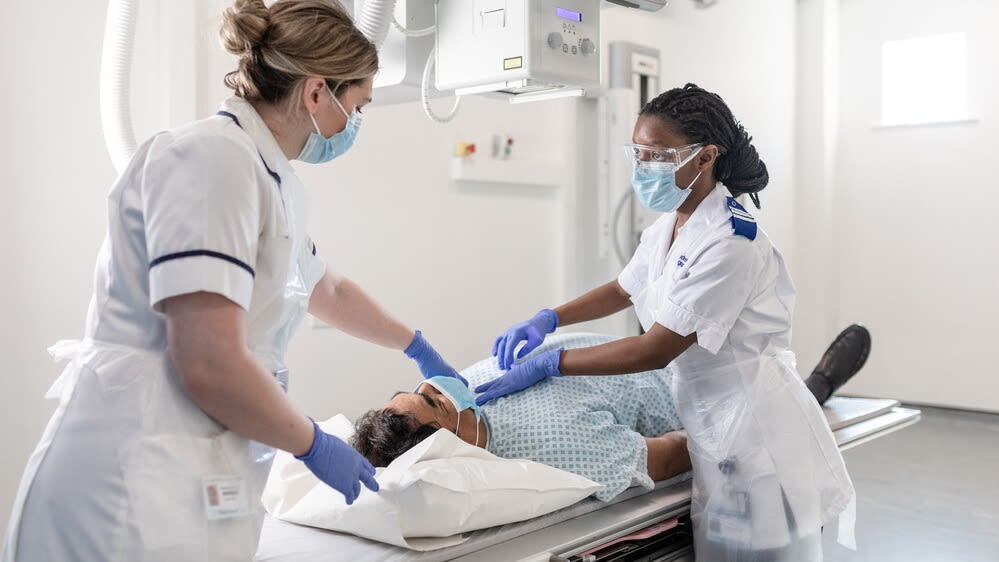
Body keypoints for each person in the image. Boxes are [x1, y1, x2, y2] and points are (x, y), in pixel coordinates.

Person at [1, 2, 461, 561]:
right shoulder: (212, 162)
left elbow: (325, 289)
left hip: (183, 475)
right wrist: (312, 443)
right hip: (124, 488)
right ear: (316, 93)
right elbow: (209, 362)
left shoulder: (269, 180)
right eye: (357, 107)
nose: (352, 127)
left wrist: (415, 345)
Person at [476, 84, 863, 560]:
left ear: (705, 158)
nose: (643, 167)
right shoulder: (670, 224)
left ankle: (823, 383)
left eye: (657, 155)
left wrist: (551, 363)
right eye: (637, 153)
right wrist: (550, 316)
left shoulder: (730, 241)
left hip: (754, 429)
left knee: (763, 553)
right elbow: (623, 288)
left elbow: (653, 349)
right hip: (708, 419)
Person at [350, 328, 870, 503]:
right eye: (435, 399)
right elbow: (670, 455)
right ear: (450, 442)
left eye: (417, 387)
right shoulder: (555, 450)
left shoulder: (473, 391)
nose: (438, 384)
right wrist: (753, 434)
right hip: (698, 393)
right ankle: (814, 389)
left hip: (651, 349)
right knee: (787, 401)